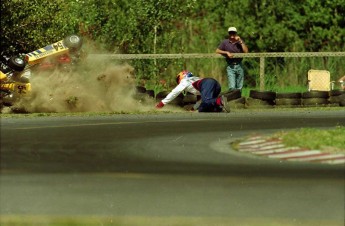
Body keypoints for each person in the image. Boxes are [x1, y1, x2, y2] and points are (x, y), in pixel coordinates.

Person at [155, 70, 230, 112]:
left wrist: (161, 104)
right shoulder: (195, 79)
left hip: (207, 83)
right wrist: (193, 109)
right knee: (202, 108)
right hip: (215, 85)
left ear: (181, 76)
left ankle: (220, 100)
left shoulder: (184, 81)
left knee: (206, 101)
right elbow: (199, 101)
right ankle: (220, 108)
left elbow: (174, 93)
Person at [216, 27, 248, 91]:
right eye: (230, 33)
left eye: (233, 33)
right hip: (230, 66)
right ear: (229, 33)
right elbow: (217, 50)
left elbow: (246, 51)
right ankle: (232, 99)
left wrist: (241, 41)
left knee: (239, 86)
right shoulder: (225, 42)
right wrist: (226, 52)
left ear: (236, 33)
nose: (232, 34)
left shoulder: (239, 42)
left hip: (239, 65)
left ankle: (239, 99)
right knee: (232, 87)